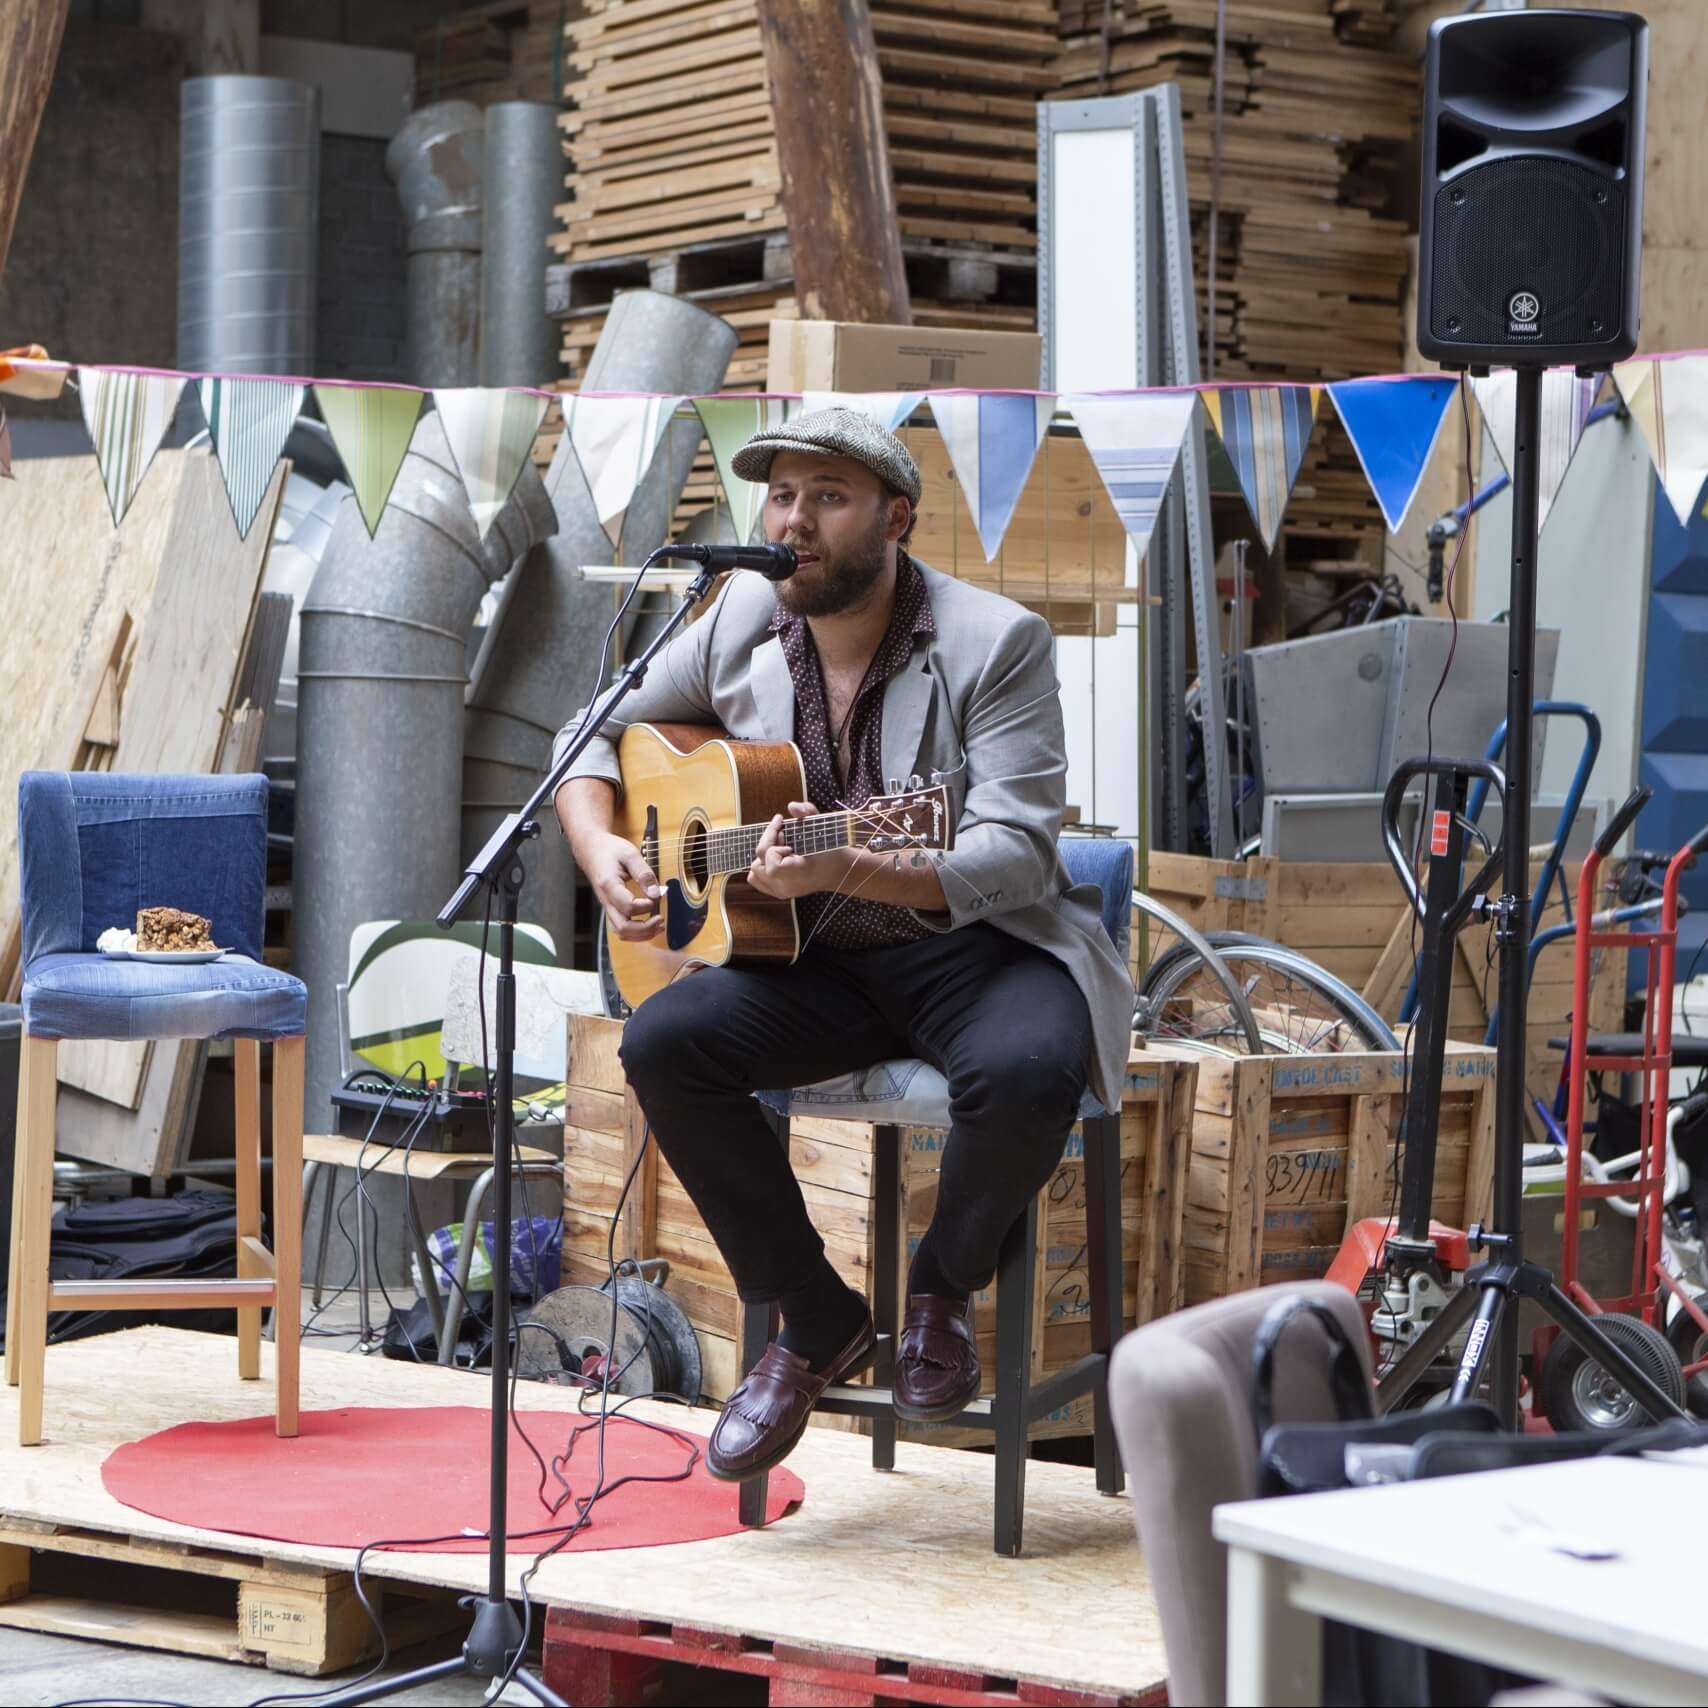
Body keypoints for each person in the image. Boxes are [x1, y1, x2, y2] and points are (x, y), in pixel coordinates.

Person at [553, 407, 1132, 1481]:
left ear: (894, 518)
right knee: (663, 1044)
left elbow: (1013, 849)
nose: (794, 521)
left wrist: (851, 865)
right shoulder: (737, 618)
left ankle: (942, 1288)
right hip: (806, 958)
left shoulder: (994, 642)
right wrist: (598, 846)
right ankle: (816, 1319)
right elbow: (587, 735)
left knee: (1027, 1067)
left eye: (828, 497)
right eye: (780, 496)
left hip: (977, 946)